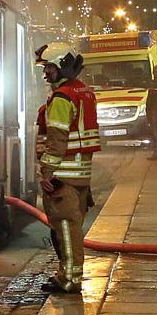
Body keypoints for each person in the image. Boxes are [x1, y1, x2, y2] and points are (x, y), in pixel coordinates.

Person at [33, 41, 100, 294]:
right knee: (72, 227)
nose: (46, 72)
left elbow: (57, 139)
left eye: (49, 67)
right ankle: (66, 274)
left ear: (62, 65)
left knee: (65, 229)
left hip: (63, 175)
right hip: (80, 174)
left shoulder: (62, 98)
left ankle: (69, 278)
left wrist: (46, 172)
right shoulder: (83, 91)